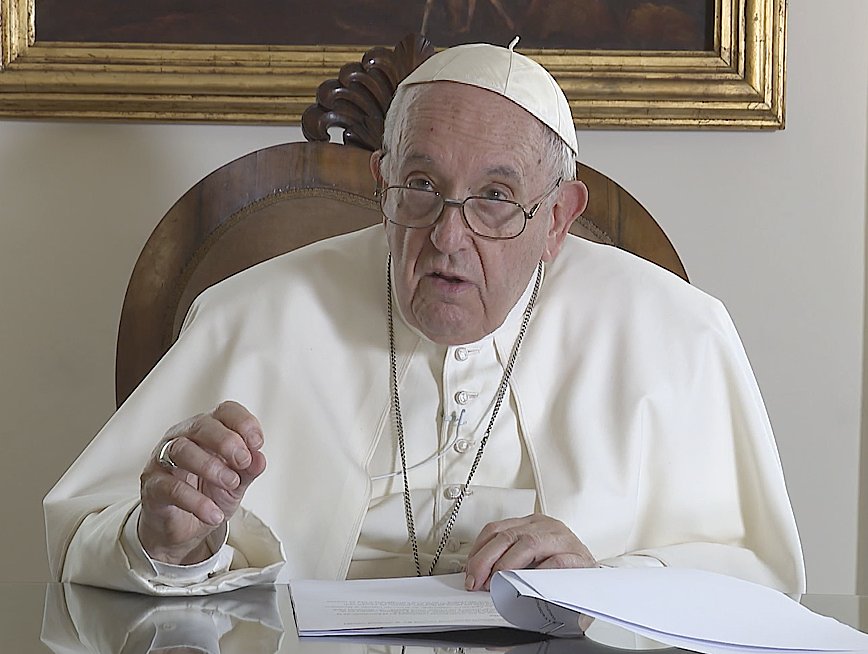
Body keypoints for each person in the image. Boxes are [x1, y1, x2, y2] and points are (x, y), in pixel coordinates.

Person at [44, 41, 806, 596]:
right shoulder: (253, 313)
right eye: (420, 185)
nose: (448, 237)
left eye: (497, 198)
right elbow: (91, 536)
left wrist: (603, 580)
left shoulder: (676, 333)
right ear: (381, 184)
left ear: (558, 220)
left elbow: (759, 580)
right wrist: (170, 545)